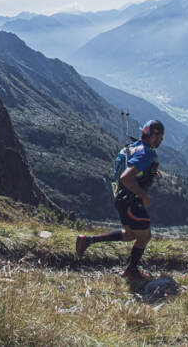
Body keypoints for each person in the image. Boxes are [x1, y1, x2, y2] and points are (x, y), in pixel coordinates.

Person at [75, 119, 164, 281]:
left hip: (122, 199)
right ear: (153, 135)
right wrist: (144, 196)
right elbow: (126, 177)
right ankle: (132, 270)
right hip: (132, 200)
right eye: (160, 137)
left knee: (130, 235)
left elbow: (127, 171)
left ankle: (87, 241)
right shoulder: (145, 153)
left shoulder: (133, 147)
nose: (160, 141)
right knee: (144, 236)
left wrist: (147, 173)